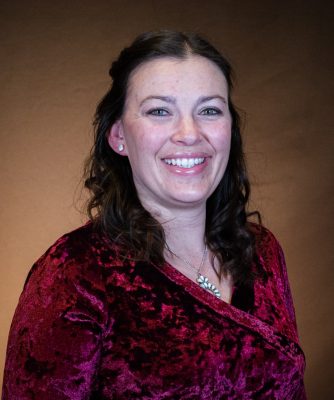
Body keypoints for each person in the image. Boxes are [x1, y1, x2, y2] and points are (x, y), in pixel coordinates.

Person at [2, 31, 306, 399]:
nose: (189, 133)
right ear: (118, 135)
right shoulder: (73, 273)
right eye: (159, 111)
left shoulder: (263, 251)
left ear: (230, 128)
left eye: (209, 110)